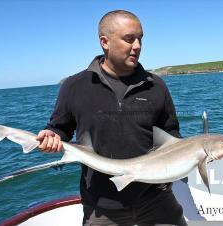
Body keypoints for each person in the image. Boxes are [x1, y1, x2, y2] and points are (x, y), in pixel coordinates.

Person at [36, 10, 187, 226]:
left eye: (140, 38)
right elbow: (59, 129)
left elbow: (171, 133)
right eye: (129, 39)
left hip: (156, 200)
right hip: (102, 205)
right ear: (104, 42)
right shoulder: (75, 86)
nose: (137, 46)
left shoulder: (156, 85)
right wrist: (51, 137)